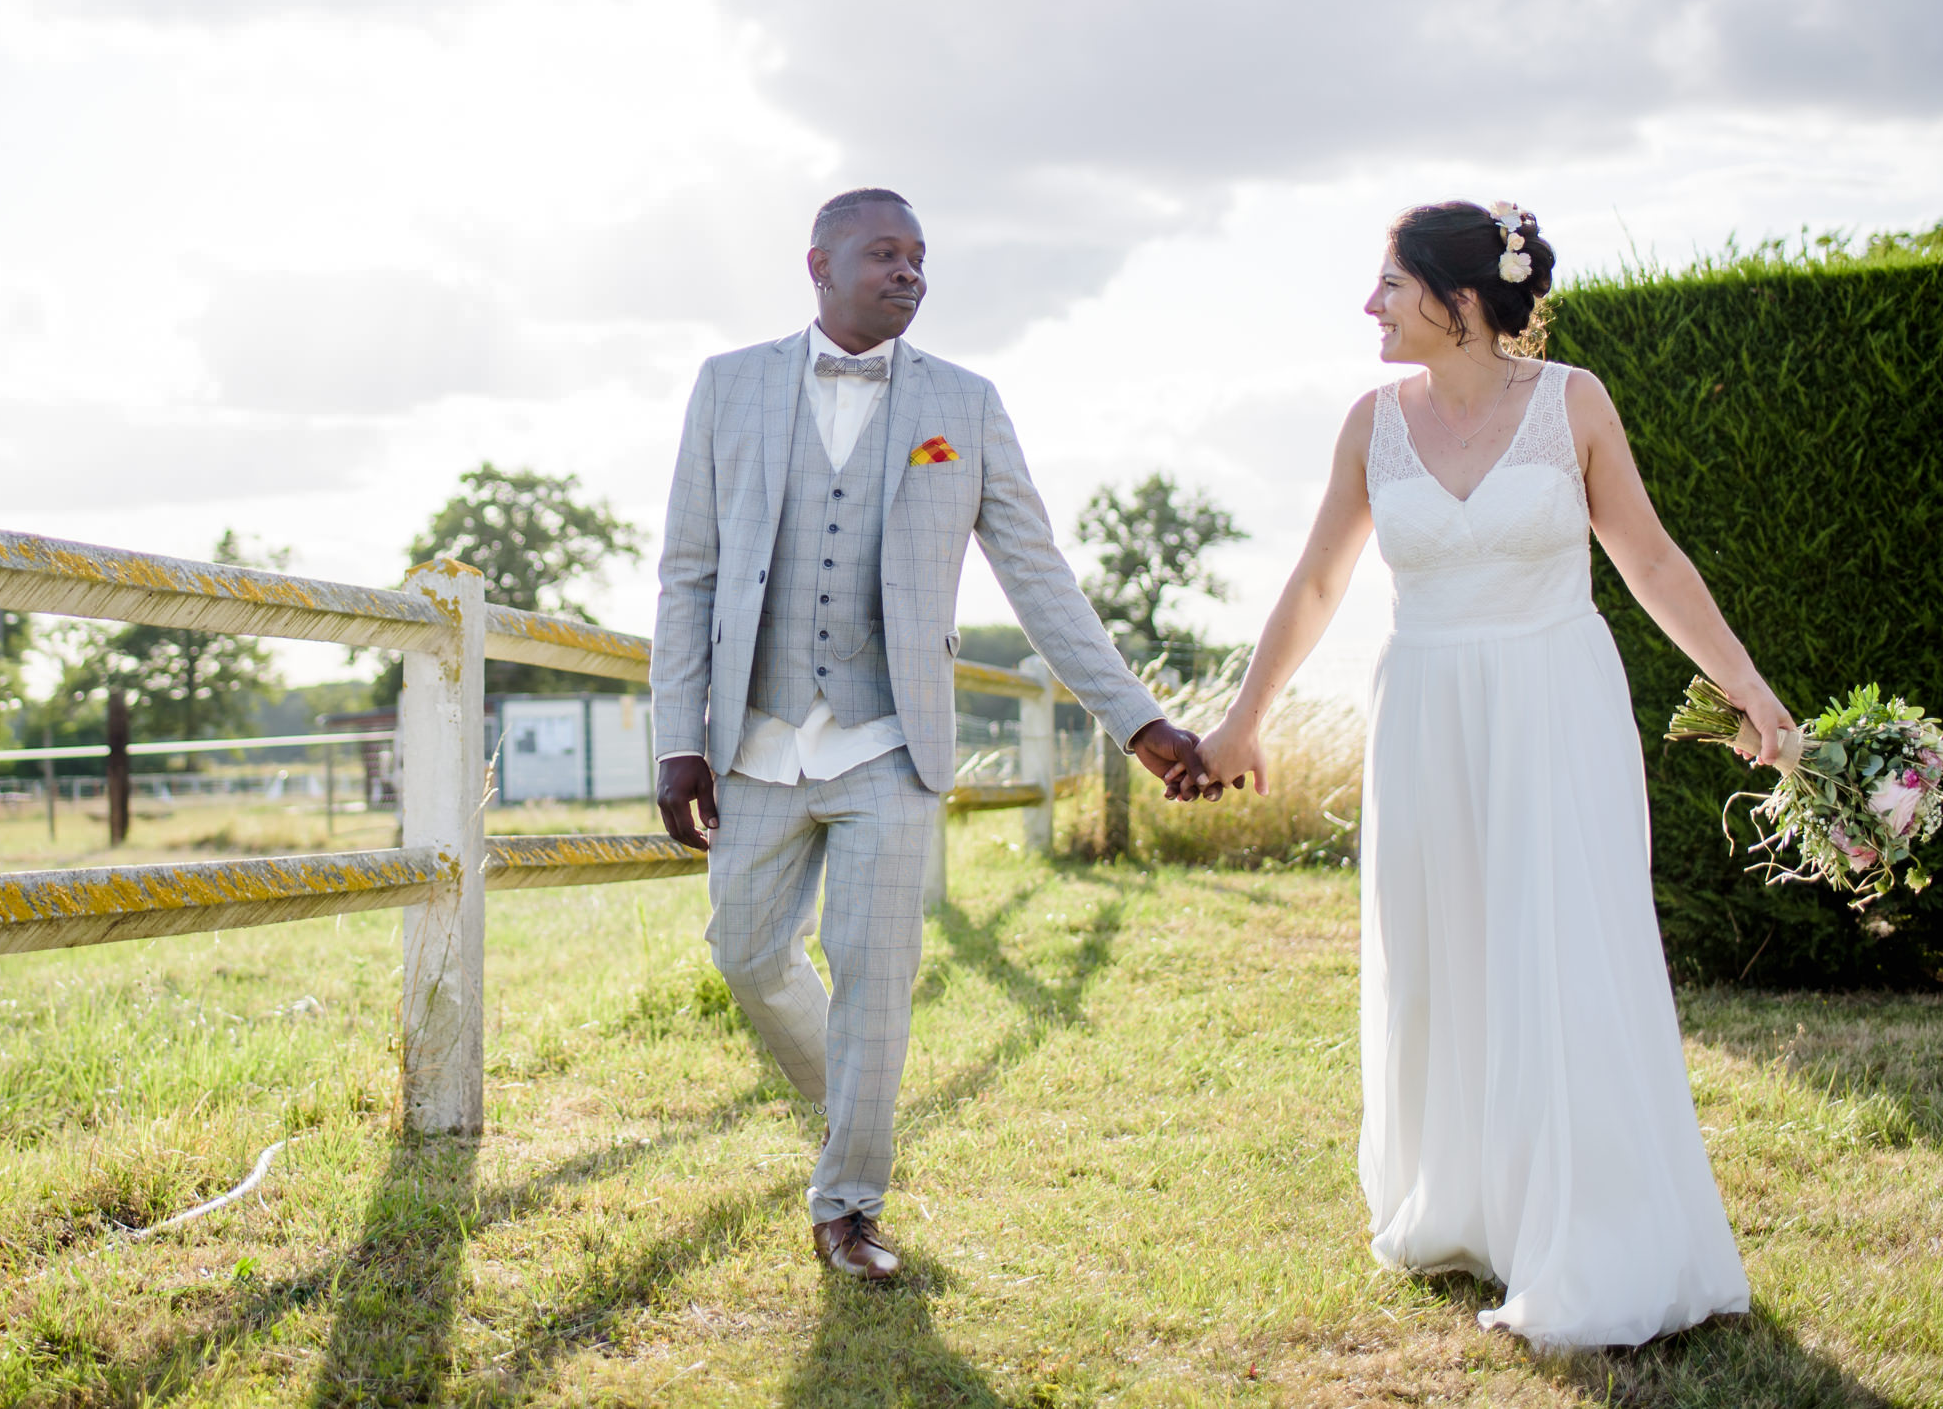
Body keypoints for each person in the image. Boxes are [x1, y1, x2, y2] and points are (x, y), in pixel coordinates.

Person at [1183, 200, 1783, 1351]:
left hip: (1554, 703)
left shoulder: (1574, 403)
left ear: (1461, 302)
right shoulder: (1371, 423)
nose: (1370, 305)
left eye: (1390, 284)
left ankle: (1594, 1237)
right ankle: (1468, 1208)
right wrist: (1244, 720)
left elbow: (1649, 557)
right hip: (1426, 713)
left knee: (1561, 950)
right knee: (1442, 955)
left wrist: (1746, 684)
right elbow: (1315, 583)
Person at [651, 186, 1215, 1281]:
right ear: (820, 265)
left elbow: (1039, 577)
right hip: (756, 739)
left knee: (875, 972)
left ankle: (849, 1204)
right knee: (747, 956)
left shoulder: (966, 403)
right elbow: (688, 572)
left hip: (889, 744)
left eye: (921, 258)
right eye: (885, 255)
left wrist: (1135, 719)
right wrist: (681, 736)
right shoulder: (728, 388)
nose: (910, 274)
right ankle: (855, 1113)